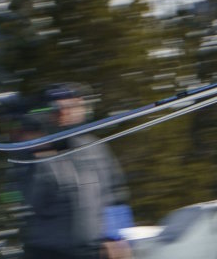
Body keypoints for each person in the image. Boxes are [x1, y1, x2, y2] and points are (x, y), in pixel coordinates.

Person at [18, 83, 132, 259]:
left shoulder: (96, 148)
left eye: (71, 106)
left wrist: (115, 236)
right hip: (47, 251)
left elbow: (115, 194)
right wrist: (38, 156)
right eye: (56, 107)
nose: (64, 112)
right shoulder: (33, 150)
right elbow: (29, 200)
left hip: (91, 250)